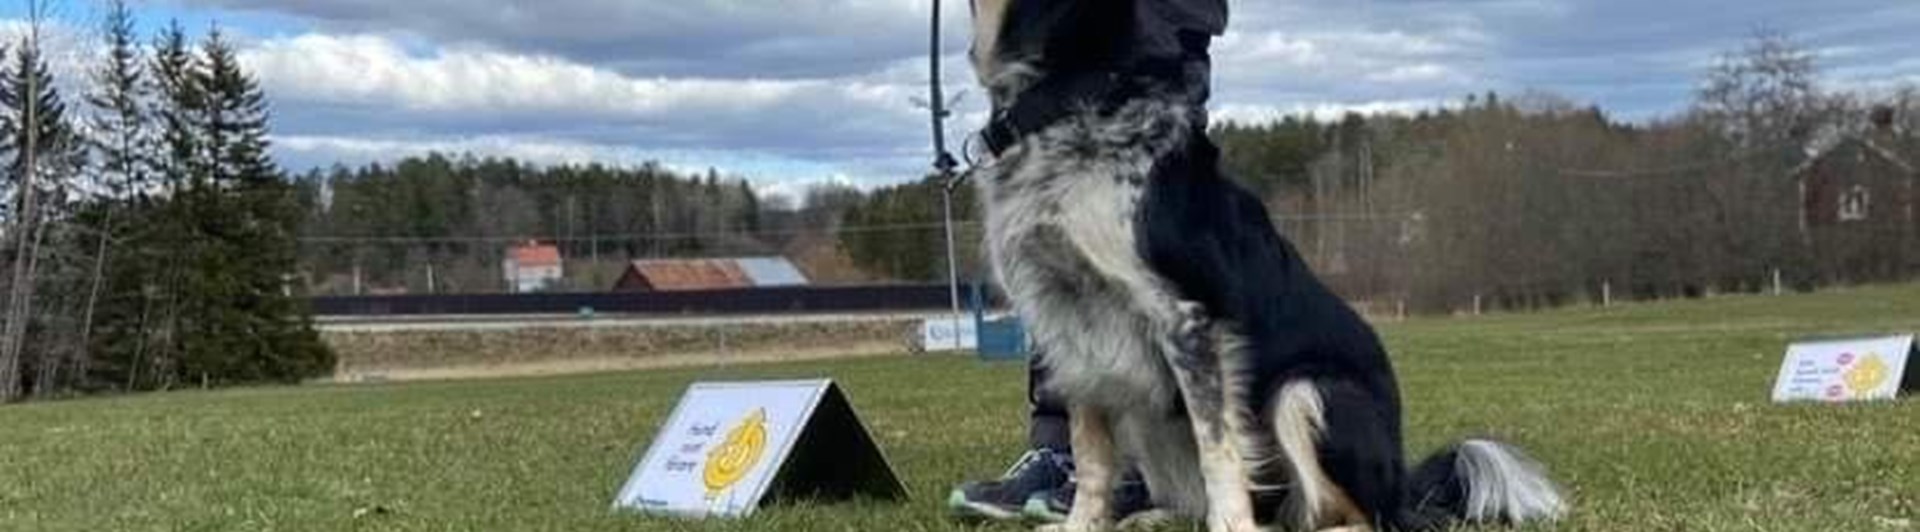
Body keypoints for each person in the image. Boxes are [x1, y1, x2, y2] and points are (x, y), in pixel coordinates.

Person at [947, 0, 1227, 523]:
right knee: (1047, 233)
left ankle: (1160, 465)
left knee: (1150, 260)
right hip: (1039, 39)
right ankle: (1065, 452)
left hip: (1157, 25)